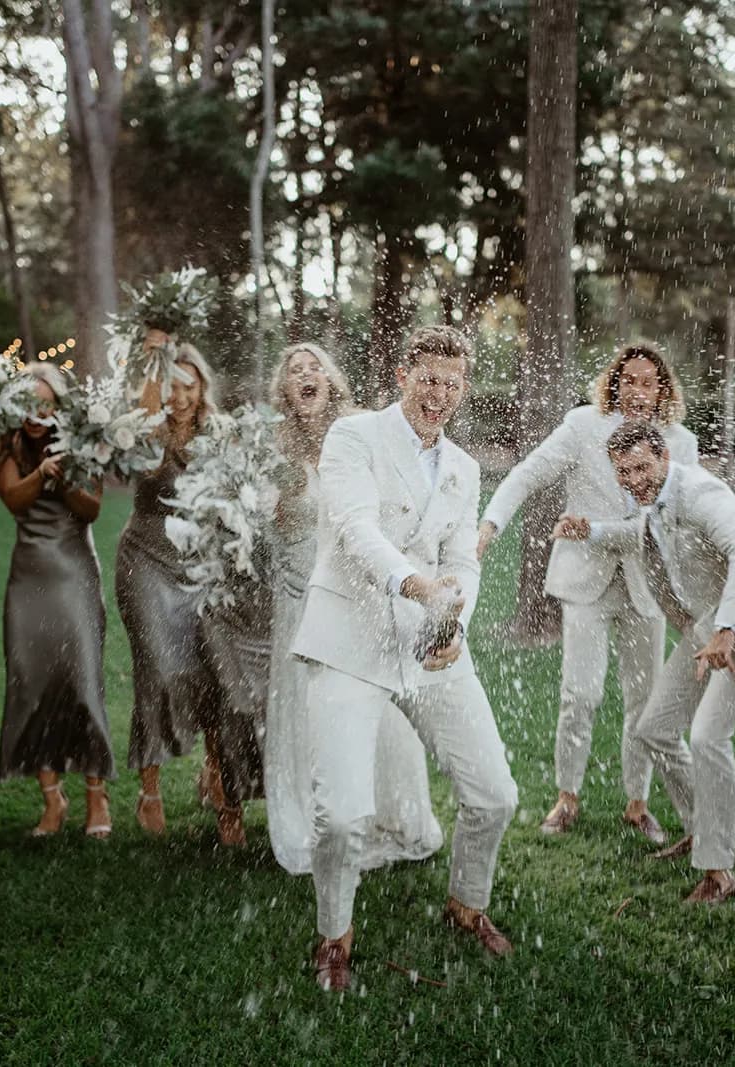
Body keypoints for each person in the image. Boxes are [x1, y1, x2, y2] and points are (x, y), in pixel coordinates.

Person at [292, 325, 518, 992]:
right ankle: (335, 933)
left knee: (496, 795)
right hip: (347, 641)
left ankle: (465, 901)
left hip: (429, 650)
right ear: (401, 375)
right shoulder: (353, 437)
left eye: (452, 382)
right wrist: (416, 586)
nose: (439, 393)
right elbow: (354, 528)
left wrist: (455, 623)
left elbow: (461, 565)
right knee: (342, 815)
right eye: (428, 379)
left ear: (463, 388)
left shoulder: (465, 469)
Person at [477, 341, 700, 841]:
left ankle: (638, 804)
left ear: (663, 389)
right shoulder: (582, 427)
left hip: (650, 586)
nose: (638, 390)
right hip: (585, 583)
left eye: (648, 382)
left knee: (644, 702)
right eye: (629, 380)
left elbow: (682, 519)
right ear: (613, 382)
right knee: (580, 694)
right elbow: (528, 473)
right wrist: (491, 522)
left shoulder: (679, 443)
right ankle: (567, 797)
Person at [554, 420, 735, 902]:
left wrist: (732, 630)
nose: (634, 479)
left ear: (664, 457)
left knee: (709, 737)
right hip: (704, 634)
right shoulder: (653, 504)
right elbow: (639, 536)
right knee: (654, 728)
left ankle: (720, 872)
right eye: (624, 472)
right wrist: (591, 531)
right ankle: (698, 830)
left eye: (643, 467)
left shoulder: (700, 493)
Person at [263, 342, 442, 875]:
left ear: (332, 378)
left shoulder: (363, 430)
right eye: (295, 370)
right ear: (286, 390)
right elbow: (271, 524)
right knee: (307, 708)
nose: (306, 374)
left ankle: (394, 813)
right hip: (300, 599)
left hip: (366, 597)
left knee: (382, 710)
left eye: (315, 365)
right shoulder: (274, 448)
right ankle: (320, 819)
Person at [116, 338, 247, 844]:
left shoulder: (220, 432)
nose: (180, 395)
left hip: (202, 565)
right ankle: (149, 786)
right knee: (159, 669)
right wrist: (152, 393)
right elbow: (145, 469)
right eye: (171, 385)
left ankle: (218, 776)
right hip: (146, 560)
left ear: (202, 388)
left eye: (189, 385)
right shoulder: (146, 430)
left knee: (211, 669)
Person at [0, 363, 114, 838]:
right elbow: (11, 500)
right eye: (26, 403)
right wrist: (41, 473)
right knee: (32, 682)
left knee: (82, 681)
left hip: (74, 573)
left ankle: (96, 799)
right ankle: (51, 799)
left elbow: (92, 508)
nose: (35, 413)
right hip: (28, 579)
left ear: (60, 406)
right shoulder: (12, 446)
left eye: (44, 403)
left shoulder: (83, 443)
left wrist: (63, 477)